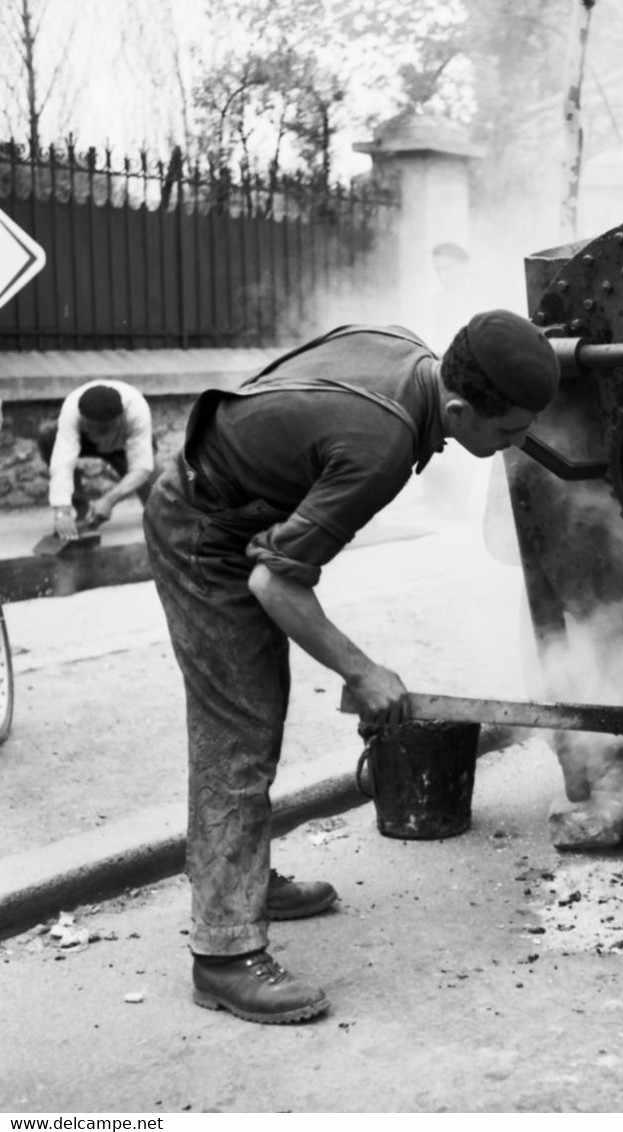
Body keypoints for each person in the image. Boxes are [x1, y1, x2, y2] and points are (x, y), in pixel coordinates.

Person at [142, 310, 560, 1025]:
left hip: (230, 507)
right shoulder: (383, 445)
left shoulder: (408, 349)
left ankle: (241, 878)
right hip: (203, 530)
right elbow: (275, 584)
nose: (515, 444)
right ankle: (224, 955)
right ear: (457, 409)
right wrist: (363, 672)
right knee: (237, 732)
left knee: (257, 711)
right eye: (507, 432)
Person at [38, 380, 157, 539]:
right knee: (47, 434)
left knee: (160, 503)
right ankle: (78, 511)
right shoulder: (71, 410)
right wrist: (62, 511)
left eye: (101, 429)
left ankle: (156, 511)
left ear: (120, 418)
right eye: (90, 427)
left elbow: (142, 468)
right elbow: (63, 462)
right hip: (84, 442)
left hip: (122, 445)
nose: (95, 433)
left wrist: (110, 499)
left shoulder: (137, 410)